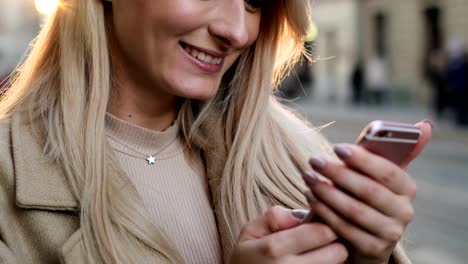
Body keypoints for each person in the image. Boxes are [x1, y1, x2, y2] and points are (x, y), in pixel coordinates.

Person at [0, 0, 432, 263]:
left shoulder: (300, 154)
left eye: (255, 0)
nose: (236, 30)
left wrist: (366, 255)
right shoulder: (9, 176)